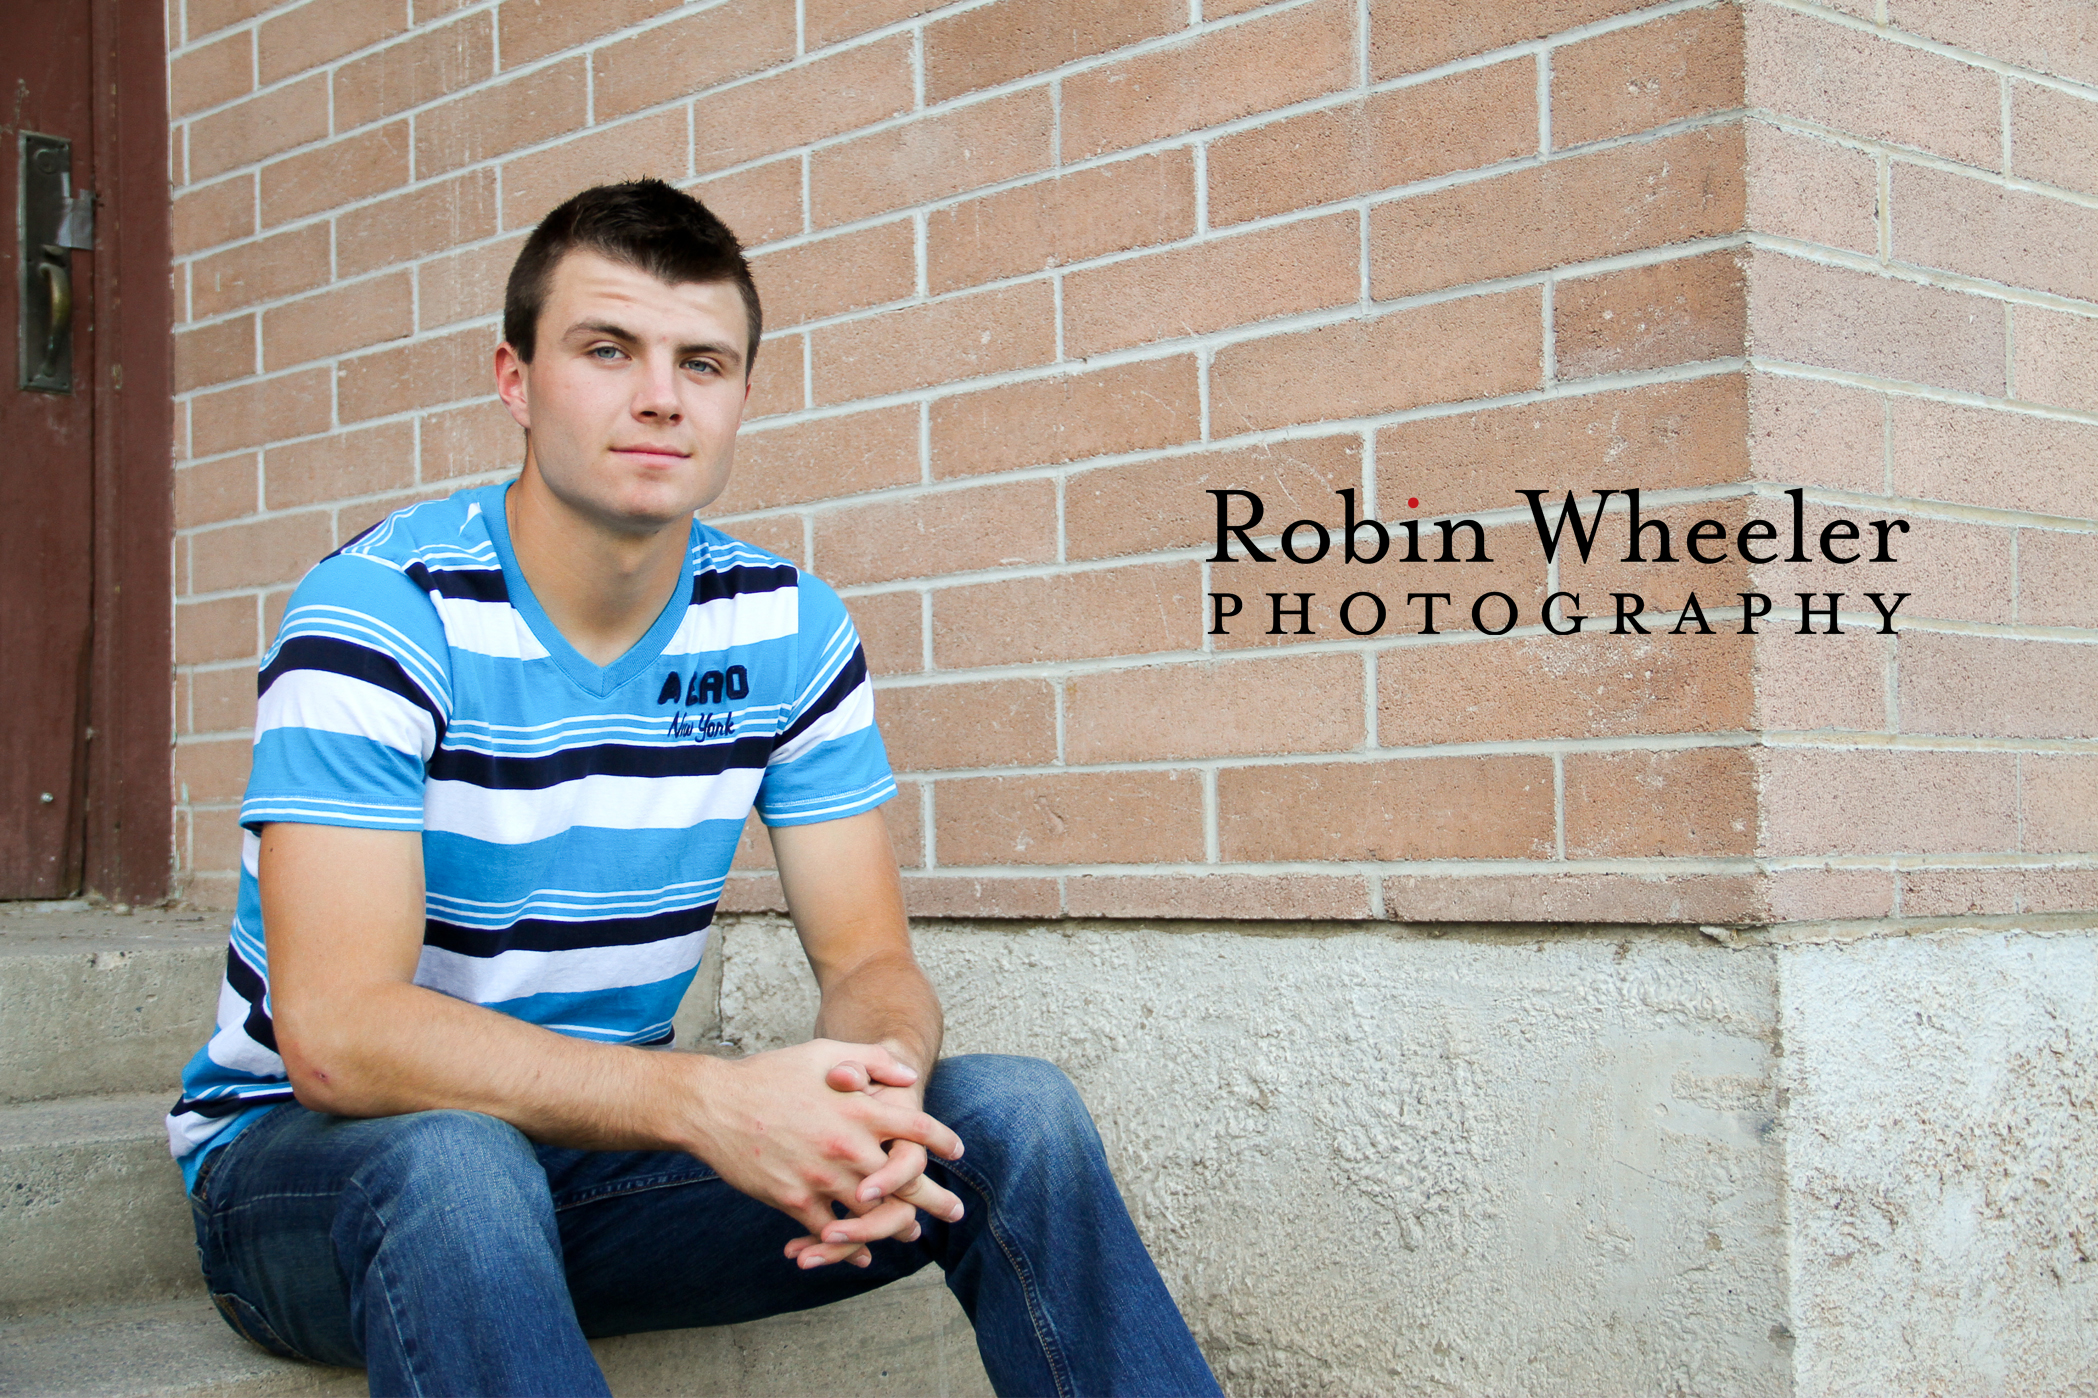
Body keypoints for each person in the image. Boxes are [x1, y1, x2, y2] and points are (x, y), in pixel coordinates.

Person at [167, 180, 1223, 1398]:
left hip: (602, 1168)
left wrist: (872, 1104)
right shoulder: (381, 612)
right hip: (319, 1178)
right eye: (607, 350)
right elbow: (341, 1041)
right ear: (514, 380)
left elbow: (870, 963)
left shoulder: (783, 624)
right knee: (459, 1166)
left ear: (741, 400)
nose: (660, 396)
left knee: (1016, 1120)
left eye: (703, 363)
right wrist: (705, 1103)